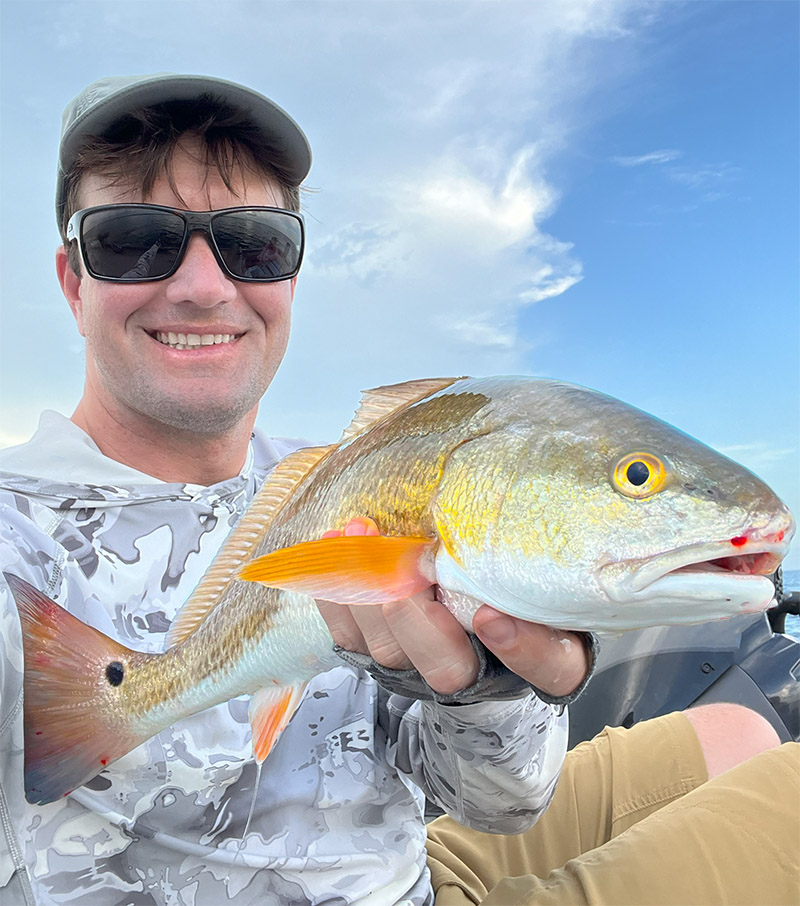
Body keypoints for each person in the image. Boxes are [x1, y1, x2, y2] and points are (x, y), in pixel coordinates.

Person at [0, 73, 795, 906]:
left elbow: (497, 802)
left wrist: (496, 685)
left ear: (290, 278)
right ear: (71, 281)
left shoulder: (336, 477)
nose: (204, 285)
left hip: (425, 857)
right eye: (134, 239)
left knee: (745, 729)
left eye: (255, 243)